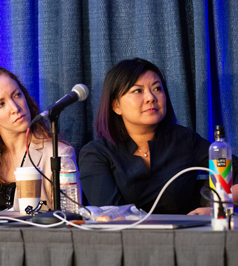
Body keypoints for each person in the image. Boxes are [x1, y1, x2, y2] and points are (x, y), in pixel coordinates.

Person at [79, 58, 238, 214]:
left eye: (157, 89)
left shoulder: (184, 139)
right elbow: (110, 216)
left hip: (185, 237)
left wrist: (217, 208)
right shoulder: (96, 153)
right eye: (137, 91)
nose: (151, 98)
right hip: (126, 238)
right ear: (116, 105)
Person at [0, 67, 80, 212]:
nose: (15, 108)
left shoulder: (59, 154)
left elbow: (70, 219)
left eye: (17, 95)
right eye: (1, 104)